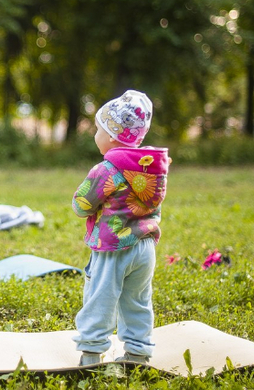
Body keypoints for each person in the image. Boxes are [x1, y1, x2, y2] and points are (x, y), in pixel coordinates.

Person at [71, 90, 170, 366]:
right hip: (145, 247)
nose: (95, 135)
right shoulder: (152, 168)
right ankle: (138, 353)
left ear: (113, 136)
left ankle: (91, 354)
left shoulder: (107, 169)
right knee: (137, 301)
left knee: (100, 299)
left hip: (113, 247)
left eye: (98, 129)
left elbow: (81, 205)